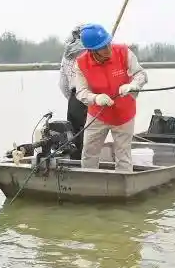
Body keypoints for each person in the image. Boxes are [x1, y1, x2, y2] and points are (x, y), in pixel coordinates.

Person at [72, 23, 148, 172]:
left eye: (108, 43)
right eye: (102, 47)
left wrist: (133, 85)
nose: (108, 49)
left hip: (124, 114)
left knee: (123, 155)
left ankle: (123, 188)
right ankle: (89, 185)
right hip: (97, 116)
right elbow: (81, 92)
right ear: (91, 51)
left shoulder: (124, 52)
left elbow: (141, 74)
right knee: (89, 153)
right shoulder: (81, 64)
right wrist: (96, 98)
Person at [58, 24, 88, 159]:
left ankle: (75, 162)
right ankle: (89, 165)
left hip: (74, 98)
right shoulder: (92, 51)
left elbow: (62, 84)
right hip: (90, 95)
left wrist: (72, 98)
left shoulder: (67, 55)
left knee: (74, 134)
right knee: (91, 133)